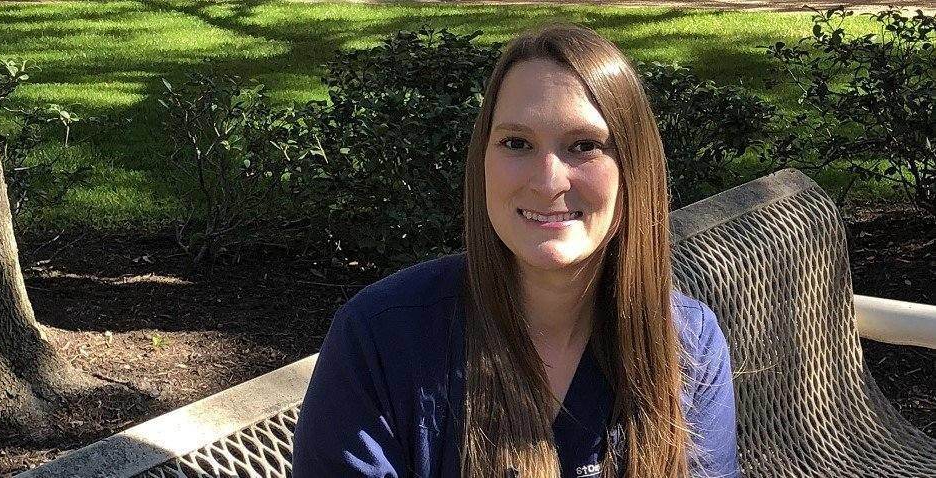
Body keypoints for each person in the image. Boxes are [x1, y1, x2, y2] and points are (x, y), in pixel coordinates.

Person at [292, 23, 739, 478]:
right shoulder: (382, 340)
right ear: (482, 161)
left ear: (633, 168)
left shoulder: (686, 344)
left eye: (584, 146)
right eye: (517, 143)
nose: (548, 182)